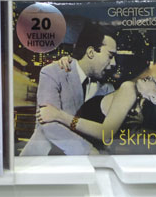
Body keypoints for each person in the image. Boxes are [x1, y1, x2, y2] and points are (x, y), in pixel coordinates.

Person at [21, 23, 117, 156]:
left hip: (86, 164)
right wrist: (88, 151)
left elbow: (108, 133)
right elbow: (49, 125)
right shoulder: (52, 73)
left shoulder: (108, 88)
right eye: (110, 56)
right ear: (90, 52)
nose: (114, 63)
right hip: (42, 161)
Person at [37, 74, 156, 154]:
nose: (152, 77)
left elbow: (105, 134)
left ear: (155, 99)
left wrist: (58, 115)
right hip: (76, 150)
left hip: (71, 149)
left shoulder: (129, 88)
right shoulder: (135, 112)